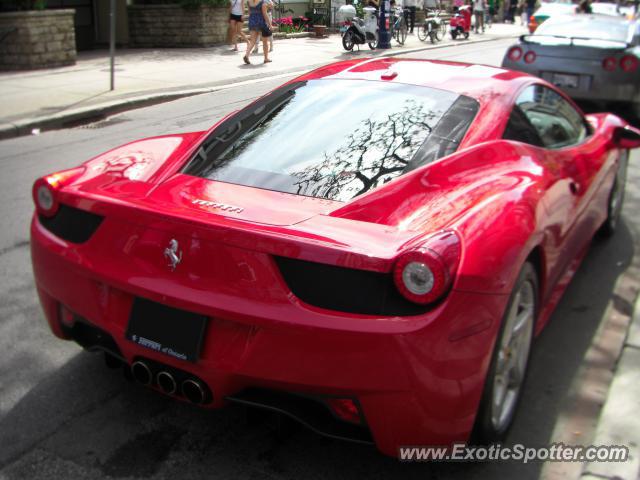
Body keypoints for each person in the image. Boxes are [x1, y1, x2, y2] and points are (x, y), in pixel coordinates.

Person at [244, 0, 272, 64]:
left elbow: (249, 12)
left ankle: (246, 55)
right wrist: (270, 25)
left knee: (252, 41)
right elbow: (265, 14)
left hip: (252, 22)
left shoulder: (249, 2)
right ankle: (266, 58)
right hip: (261, 23)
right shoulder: (262, 2)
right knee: (265, 42)